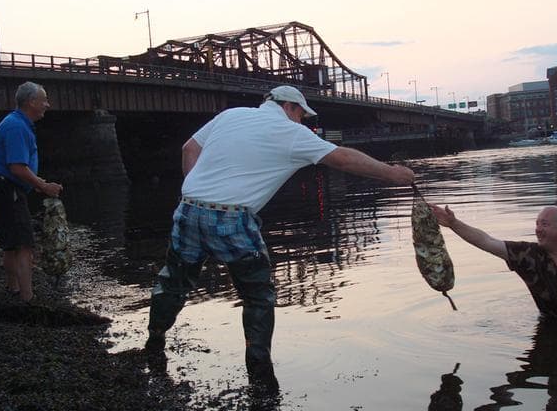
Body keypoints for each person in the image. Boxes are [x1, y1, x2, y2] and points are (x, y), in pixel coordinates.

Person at [145, 85, 415, 391]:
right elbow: (341, 159)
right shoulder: (290, 133)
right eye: (301, 114)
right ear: (289, 107)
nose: (302, 122)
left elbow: (188, 149)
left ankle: (154, 342)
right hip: (231, 217)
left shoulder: (230, 115)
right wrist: (392, 174)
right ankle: (260, 373)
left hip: (188, 208)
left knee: (175, 281)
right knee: (257, 295)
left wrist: (197, 189)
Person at [0, 81, 63, 302]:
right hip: (6, 187)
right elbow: (16, 167)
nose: (47, 104)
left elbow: (18, 169)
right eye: (44, 100)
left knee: (10, 244)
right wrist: (42, 186)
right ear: (31, 102)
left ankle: (13, 289)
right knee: (24, 245)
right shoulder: (17, 126)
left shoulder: (15, 123)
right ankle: (28, 298)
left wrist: (35, 183)